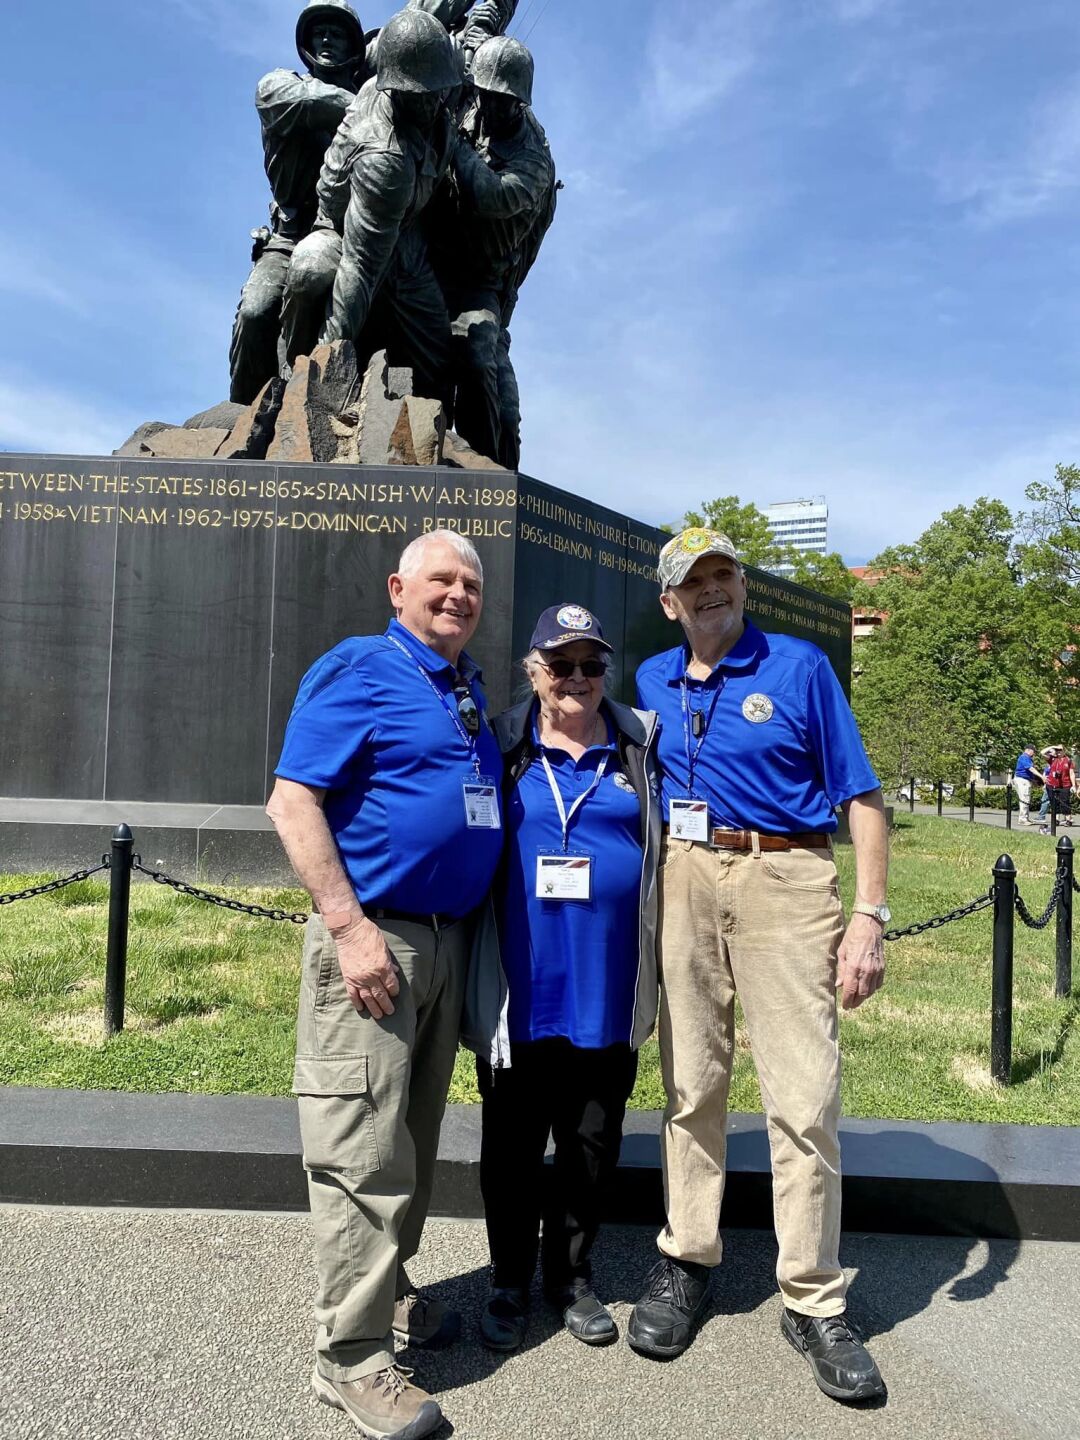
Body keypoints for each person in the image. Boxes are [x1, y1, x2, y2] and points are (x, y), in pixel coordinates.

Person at [629, 527, 890, 1405]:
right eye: (693, 582)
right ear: (670, 603)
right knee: (692, 1080)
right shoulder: (650, 680)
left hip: (787, 873)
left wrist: (867, 916)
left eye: (724, 575)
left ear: (742, 587)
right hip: (687, 877)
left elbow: (861, 796)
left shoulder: (801, 667)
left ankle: (812, 1296)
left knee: (803, 1091)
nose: (712, 591)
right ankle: (689, 1257)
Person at [266, 529, 503, 1440]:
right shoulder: (359, 668)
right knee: (360, 1150)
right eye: (441, 580)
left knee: (408, 1139)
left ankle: (389, 1292)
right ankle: (351, 1358)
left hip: (444, 946)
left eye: (471, 585)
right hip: (378, 944)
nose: (458, 595)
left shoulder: (466, 688)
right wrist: (349, 927)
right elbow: (293, 800)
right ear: (398, 586)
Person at [461, 604, 661, 1351]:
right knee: (510, 1150)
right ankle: (509, 1279)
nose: (576, 679)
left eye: (591, 664)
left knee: (591, 1145)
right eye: (560, 664)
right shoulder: (503, 744)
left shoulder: (641, 749)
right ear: (533, 671)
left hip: (607, 990)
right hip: (520, 990)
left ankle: (570, 1279)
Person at [319, 7, 464, 408]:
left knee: (436, 353)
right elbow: (359, 269)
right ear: (398, 91)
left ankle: (432, 445)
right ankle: (310, 383)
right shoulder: (384, 156)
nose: (434, 101)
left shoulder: (435, 88)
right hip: (350, 228)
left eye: (440, 90)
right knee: (349, 301)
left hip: (407, 236)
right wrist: (326, 367)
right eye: (424, 94)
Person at [229, 0, 369, 403]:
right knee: (257, 309)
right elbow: (311, 103)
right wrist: (368, 107)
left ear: (353, 46)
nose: (326, 38)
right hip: (290, 235)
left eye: (337, 32)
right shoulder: (279, 86)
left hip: (353, 236)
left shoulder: (371, 97)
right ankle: (245, 411)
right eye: (319, 31)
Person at [427, 34, 557, 466]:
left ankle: (484, 479)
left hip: (482, 281)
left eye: (506, 101)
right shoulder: (468, 101)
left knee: (481, 349)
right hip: (433, 260)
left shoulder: (533, 160)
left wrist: (451, 140)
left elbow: (491, 195)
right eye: (487, 96)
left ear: (521, 101)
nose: (494, 108)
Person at [1041, 745, 1076, 832]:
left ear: (1064, 751)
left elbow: (1071, 774)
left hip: (1065, 784)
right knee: (1053, 802)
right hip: (1052, 784)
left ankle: (1068, 819)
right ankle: (1055, 819)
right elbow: (1042, 753)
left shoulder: (1068, 761)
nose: (1058, 752)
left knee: (1065, 801)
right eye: (1057, 750)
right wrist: (1052, 746)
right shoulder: (1052, 759)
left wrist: (1074, 785)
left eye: (1060, 750)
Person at [1013, 745, 1042, 825]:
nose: (1034, 753)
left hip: (1025, 780)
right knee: (1024, 799)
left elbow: (1028, 772)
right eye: (1034, 751)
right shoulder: (1024, 757)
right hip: (1022, 780)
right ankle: (1022, 819)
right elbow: (1031, 769)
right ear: (1029, 750)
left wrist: (1033, 781)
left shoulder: (1027, 758)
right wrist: (1041, 776)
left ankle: (1025, 818)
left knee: (1026, 799)